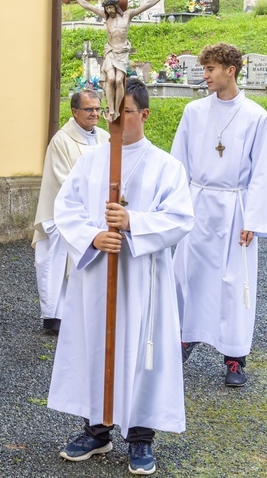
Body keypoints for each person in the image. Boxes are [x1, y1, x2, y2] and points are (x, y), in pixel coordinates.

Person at [48, 79, 194, 475]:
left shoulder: (166, 166)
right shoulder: (92, 160)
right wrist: (92, 236)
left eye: (123, 112)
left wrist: (134, 222)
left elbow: (180, 218)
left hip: (142, 276)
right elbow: (66, 208)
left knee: (142, 350)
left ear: (144, 114)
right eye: (110, 113)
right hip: (98, 275)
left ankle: (141, 436)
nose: (112, 121)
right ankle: (96, 429)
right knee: (96, 343)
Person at [171, 43, 267, 387]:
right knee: (188, 274)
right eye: (204, 69)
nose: (204, 76)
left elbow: (263, 172)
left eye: (210, 70)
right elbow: (179, 162)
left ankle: (234, 356)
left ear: (230, 70)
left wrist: (254, 220)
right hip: (198, 203)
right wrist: (176, 206)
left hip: (236, 208)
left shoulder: (256, 117)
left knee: (234, 283)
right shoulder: (194, 112)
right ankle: (184, 337)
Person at [33, 89, 110, 334]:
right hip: (64, 212)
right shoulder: (62, 140)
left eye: (98, 109)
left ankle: (83, 312)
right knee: (57, 259)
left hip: (95, 213)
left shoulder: (105, 138)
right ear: (74, 112)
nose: (95, 113)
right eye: (89, 109)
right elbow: (62, 179)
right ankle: (54, 317)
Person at [61, 0, 178, 122]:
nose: (109, 11)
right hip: (110, 52)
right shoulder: (105, 17)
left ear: (116, 7)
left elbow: (148, 4)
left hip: (122, 53)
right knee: (110, 79)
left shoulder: (128, 15)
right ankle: (110, 109)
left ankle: (117, 110)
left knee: (118, 80)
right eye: (107, 8)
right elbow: (87, 5)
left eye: (111, 8)